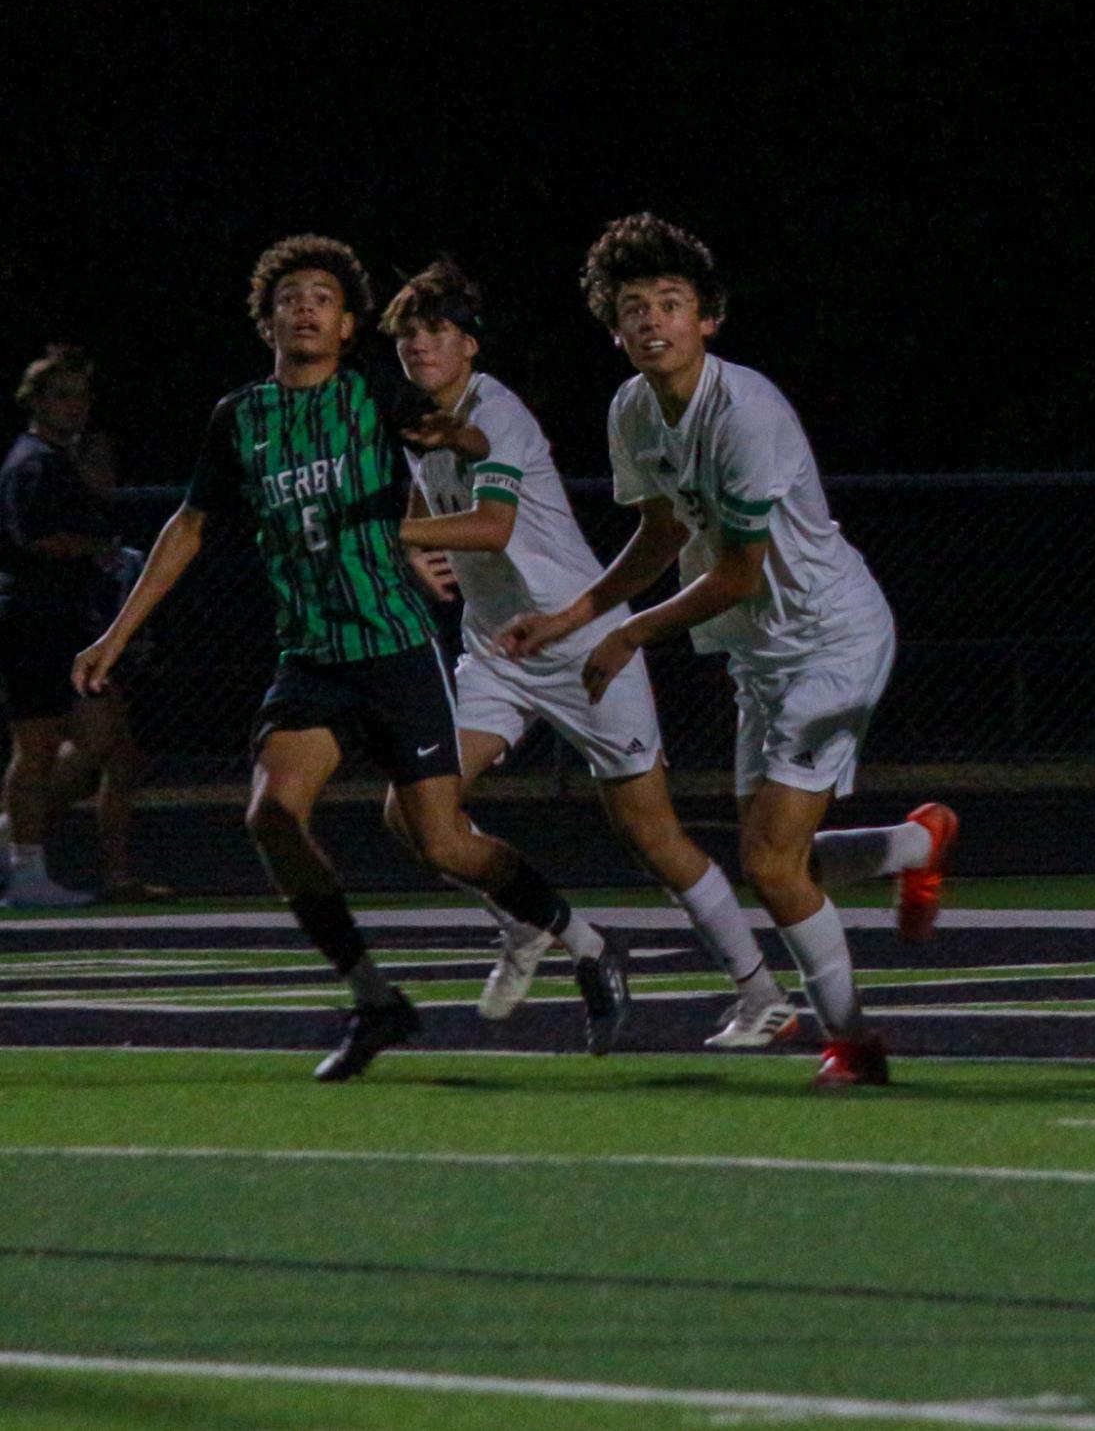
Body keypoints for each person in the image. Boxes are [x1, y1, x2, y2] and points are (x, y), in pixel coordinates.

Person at [72, 235, 629, 1080]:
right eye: (289, 296)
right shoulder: (241, 418)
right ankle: (373, 999)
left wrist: (464, 443)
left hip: (395, 650)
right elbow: (189, 527)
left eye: (322, 298)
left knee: (442, 843)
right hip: (311, 658)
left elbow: (455, 440)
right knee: (270, 816)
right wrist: (114, 632)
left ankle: (584, 942)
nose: (304, 307)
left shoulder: (374, 393)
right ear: (266, 318)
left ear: (346, 325)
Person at [498, 213, 955, 1088]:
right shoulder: (632, 411)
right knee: (775, 860)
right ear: (613, 326)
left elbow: (740, 572)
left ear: (707, 318)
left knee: (773, 864)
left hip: (831, 638)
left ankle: (854, 1044)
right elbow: (662, 534)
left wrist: (627, 632)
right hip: (760, 654)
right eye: (633, 307)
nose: (652, 321)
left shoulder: (746, 411)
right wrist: (572, 617)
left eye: (671, 303)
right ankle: (912, 844)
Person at [384, 257, 798, 1045]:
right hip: (498, 649)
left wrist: (384, 532)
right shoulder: (417, 418)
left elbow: (492, 523)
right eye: (407, 334)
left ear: (470, 345)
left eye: (435, 330)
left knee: (653, 836)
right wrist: (411, 541)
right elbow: (431, 481)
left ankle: (762, 992)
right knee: (416, 814)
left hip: (580, 642)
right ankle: (530, 922)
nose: (418, 345)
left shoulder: (494, 411)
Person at [0, 346, 171, 907]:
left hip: (73, 624)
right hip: (35, 622)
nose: (76, 406)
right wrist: (99, 549)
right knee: (37, 745)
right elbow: (35, 538)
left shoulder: (63, 459)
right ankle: (26, 870)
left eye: (82, 395)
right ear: (36, 401)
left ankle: (17, 836)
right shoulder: (33, 462)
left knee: (103, 742)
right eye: (62, 394)